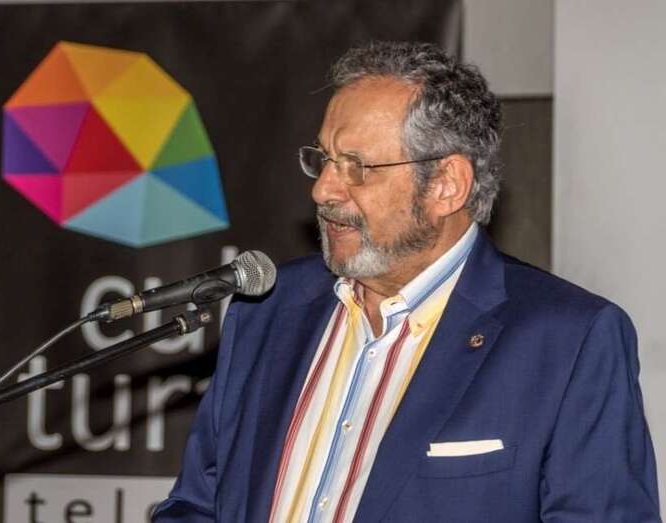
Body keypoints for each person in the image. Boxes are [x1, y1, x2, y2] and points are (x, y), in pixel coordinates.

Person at [153, 41, 660, 522]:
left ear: (446, 186)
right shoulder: (269, 307)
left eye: (357, 167)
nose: (323, 190)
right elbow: (197, 505)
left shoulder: (567, 340)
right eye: (324, 159)